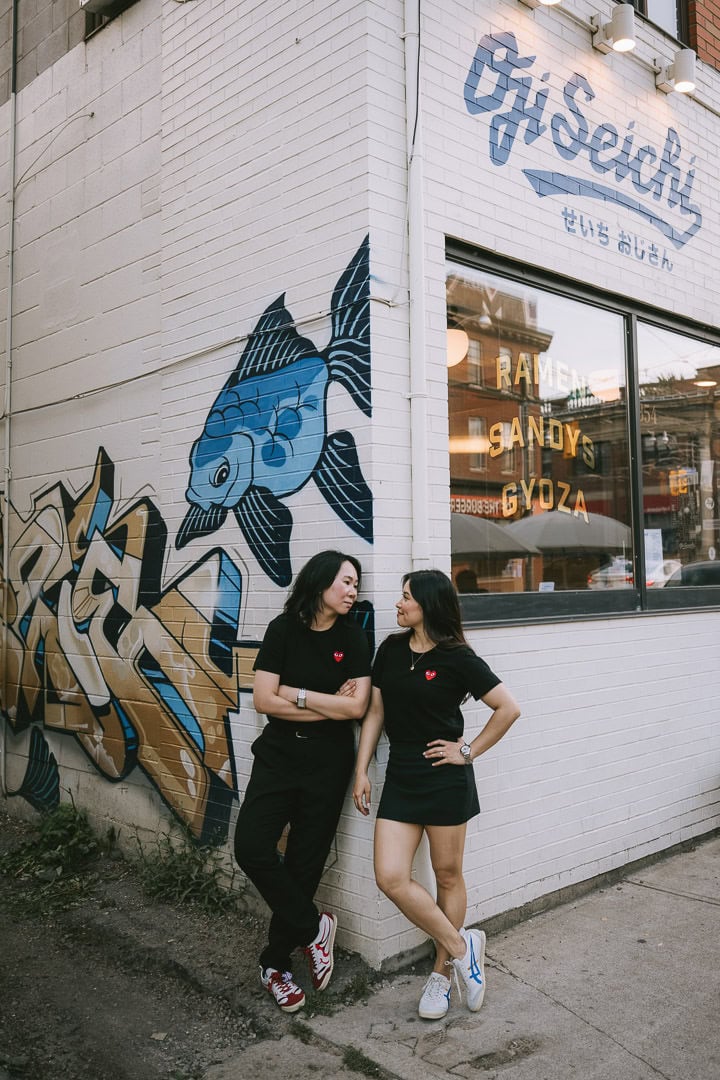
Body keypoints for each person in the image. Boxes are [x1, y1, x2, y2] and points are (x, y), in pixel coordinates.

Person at [352, 569, 520, 1020]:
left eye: (406, 597)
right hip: (403, 776)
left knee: (447, 875)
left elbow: (508, 708)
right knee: (391, 876)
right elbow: (376, 712)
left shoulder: (457, 657)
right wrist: (361, 769)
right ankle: (464, 947)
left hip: (445, 779)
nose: (398, 603)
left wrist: (467, 751)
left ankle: (442, 975)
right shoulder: (390, 649)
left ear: (427, 604)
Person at [234, 550, 372, 1013]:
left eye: (357, 584)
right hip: (278, 758)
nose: (354, 591)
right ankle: (317, 928)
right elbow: (262, 700)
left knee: (302, 868)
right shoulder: (283, 629)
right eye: (346, 582)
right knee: (251, 847)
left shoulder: (354, 638)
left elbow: (355, 709)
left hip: (327, 766)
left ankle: (274, 966)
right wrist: (320, 700)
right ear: (320, 582)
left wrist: (296, 695)